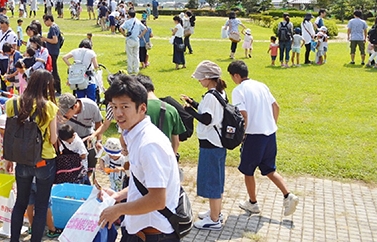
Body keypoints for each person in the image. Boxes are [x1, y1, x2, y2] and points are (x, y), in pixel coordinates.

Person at [98, 75, 181, 241]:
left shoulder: (149, 144)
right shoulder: (135, 136)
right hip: (139, 230)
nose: (118, 113)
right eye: (114, 107)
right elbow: (144, 183)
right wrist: (117, 196)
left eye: (125, 106)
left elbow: (157, 199)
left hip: (153, 235)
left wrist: (118, 209)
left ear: (142, 108)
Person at [226, 60, 299, 217]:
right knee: (269, 169)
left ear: (236, 75)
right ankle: (288, 195)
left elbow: (243, 115)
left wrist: (241, 135)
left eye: (232, 76)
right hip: (269, 134)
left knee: (248, 170)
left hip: (253, 136)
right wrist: (271, 124)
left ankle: (253, 203)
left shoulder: (239, 90)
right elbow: (276, 106)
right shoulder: (261, 85)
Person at [7, 69, 58, 242]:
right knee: (42, 205)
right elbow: (53, 138)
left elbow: (10, 132)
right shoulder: (49, 107)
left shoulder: (12, 103)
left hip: (21, 158)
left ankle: (14, 239)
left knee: (21, 202)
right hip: (44, 160)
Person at [181, 60, 227, 231]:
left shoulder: (210, 96)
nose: (199, 81)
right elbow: (209, 113)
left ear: (208, 78)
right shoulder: (220, 93)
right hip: (218, 143)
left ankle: (214, 219)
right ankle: (216, 212)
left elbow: (207, 119)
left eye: (201, 78)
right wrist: (193, 103)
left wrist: (189, 111)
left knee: (212, 181)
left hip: (211, 144)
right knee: (217, 179)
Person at [57, 93, 103, 174]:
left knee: (91, 161)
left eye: (66, 112)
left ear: (75, 107)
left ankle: (86, 179)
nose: (63, 114)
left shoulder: (91, 106)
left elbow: (98, 123)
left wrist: (98, 141)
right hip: (68, 140)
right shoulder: (58, 113)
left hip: (87, 137)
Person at [120, 9, 147, 75]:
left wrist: (124, 34)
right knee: (136, 55)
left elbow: (120, 28)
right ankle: (136, 69)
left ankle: (130, 69)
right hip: (136, 40)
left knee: (130, 55)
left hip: (129, 39)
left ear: (129, 15)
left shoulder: (127, 22)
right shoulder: (138, 21)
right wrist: (140, 35)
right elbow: (145, 29)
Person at [42, 14, 62, 93]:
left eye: (45, 21)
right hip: (54, 51)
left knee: (54, 71)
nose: (45, 23)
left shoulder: (53, 28)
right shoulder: (55, 27)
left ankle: (58, 88)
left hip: (53, 51)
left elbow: (55, 40)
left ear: (49, 20)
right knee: (53, 70)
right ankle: (53, 88)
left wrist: (45, 39)